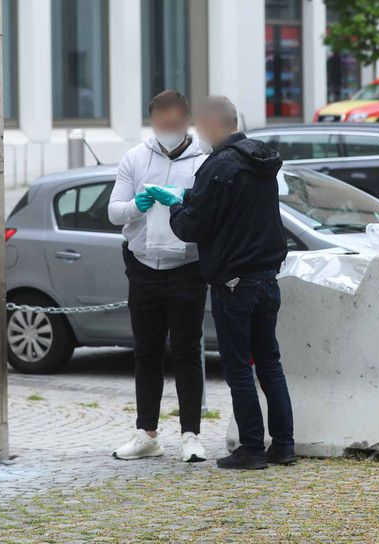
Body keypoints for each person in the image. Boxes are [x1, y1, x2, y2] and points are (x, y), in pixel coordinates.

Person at [145, 96, 295, 470]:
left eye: (198, 125)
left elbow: (192, 227)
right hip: (266, 277)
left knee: (239, 366)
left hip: (234, 281)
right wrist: (191, 199)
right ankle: (284, 445)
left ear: (212, 125)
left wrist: (176, 205)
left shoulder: (219, 165)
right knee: (270, 364)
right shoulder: (261, 159)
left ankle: (251, 450)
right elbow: (234, 212)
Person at [107, 90, 208, 463]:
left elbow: (211, 211)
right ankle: (146, 433)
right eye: (160, 122)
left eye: (174, 122)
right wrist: (137, 205)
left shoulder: (205, 160)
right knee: (146, 353)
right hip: (143, 268)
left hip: (187, 268)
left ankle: (191, 435)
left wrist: (183, 199)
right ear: (153, 122)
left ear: (186, 121)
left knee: (186, 353)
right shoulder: (135, 157)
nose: (167, 128)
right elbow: (114, 212)